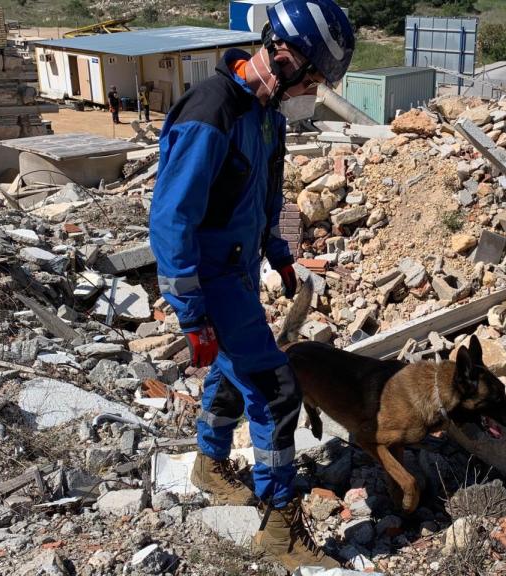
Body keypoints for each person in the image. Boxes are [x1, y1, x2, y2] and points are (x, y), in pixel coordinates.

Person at [149, 0, 354, 569]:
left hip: (239, 272)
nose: (311, 90)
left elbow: (266, 194)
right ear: (284, 56)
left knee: (232, 368)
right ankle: (279, 525)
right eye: (312, 78)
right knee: (275, 389)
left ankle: (209, 462)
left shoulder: (267, 115)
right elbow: (172, 218)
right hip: (211, 279)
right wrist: (190, 311)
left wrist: (280, 256)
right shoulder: (211, 110)